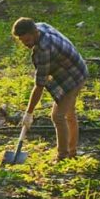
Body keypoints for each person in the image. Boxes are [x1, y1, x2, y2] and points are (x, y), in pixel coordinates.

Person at [12, 17, 88, 161]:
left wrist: (29, 113)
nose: (26, 44)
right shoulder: (39, 27)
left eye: (27, 40)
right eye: (22, 41)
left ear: (34, 32)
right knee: (69, 113)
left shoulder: (44, 49)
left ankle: (63, 157)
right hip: (73, 68)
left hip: (74, 76)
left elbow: (40, 85)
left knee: (58, 116)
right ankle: (72, 152)